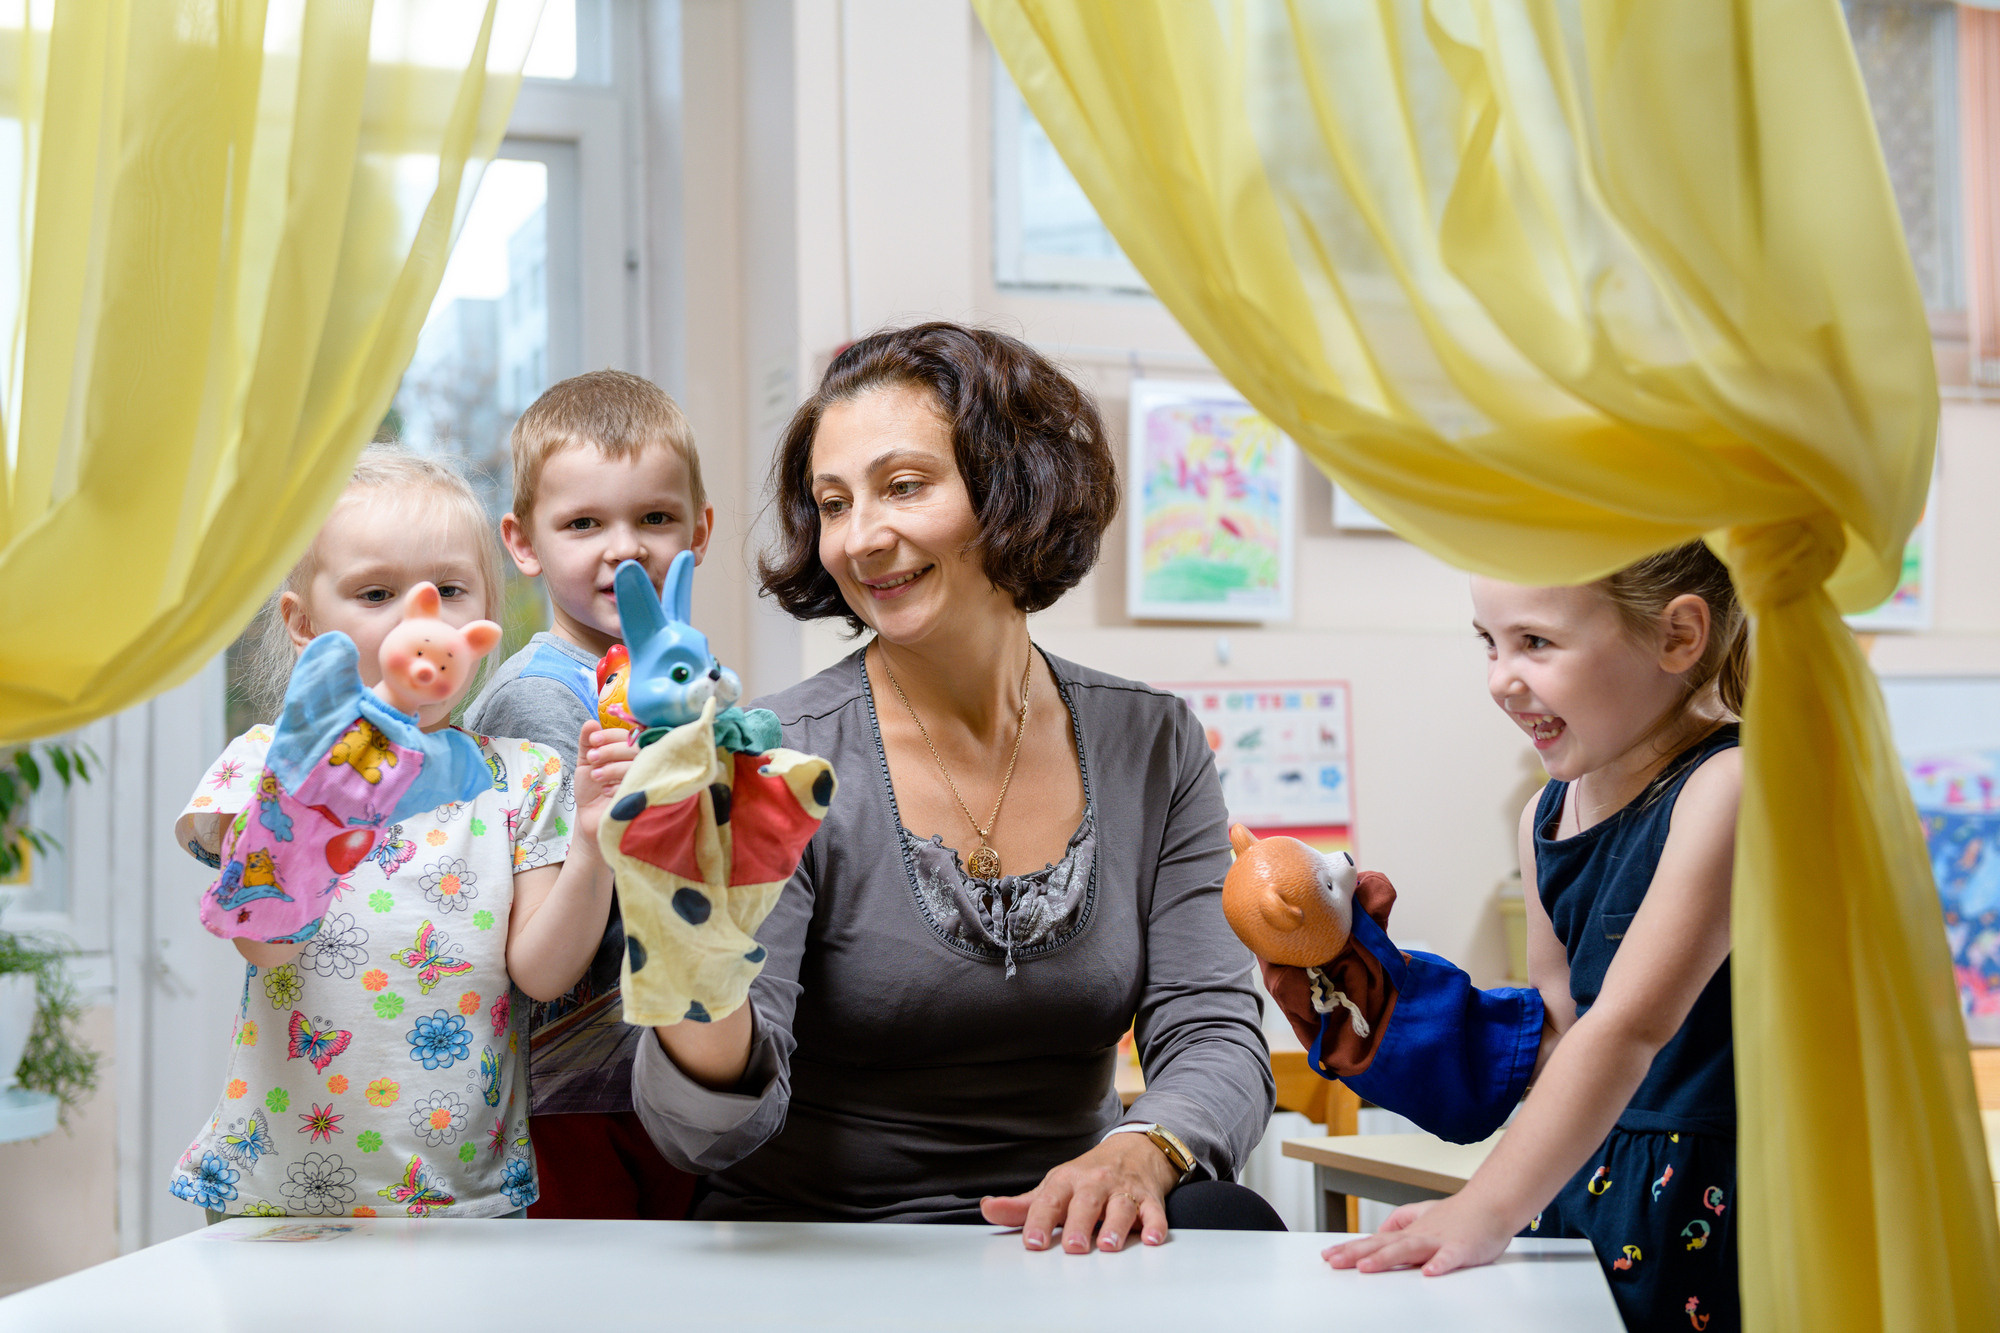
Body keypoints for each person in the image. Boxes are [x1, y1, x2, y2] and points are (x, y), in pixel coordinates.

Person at [630, 322, 1279, 1251]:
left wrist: (1142, 1149)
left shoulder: (1154, 741)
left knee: (1233, 1221)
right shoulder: (779, 755)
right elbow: (703, 1131)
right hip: (821, 1245)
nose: (861, 538)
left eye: (903, 486)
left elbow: (1213, 1028)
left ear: (1014, 483)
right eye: (834, 503)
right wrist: (694, 959)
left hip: (1061, 1243)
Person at [169, 446, 633, 1220]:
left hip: (464, 1195)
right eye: (377, 592)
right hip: (282, 1192)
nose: (422, 621)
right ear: (302, 623)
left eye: (450, 590)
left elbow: (542, 971)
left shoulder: (521, 779)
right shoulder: (264, 765)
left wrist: (591, 840)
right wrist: (313, 800)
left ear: (486, 617)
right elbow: (265, 941)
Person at [1322, 542, 1745, 1333]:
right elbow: (1561, 1029)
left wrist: (1483, 1205)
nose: (1500, 678)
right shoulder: (1547, 811)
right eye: (1489, 641)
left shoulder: (1728, 787)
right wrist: (1392, 1004)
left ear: (1678, 636)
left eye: (1536, 643)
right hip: (1585, 1171)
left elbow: (1626, 1029)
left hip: (1709, 1197)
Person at [463, 371, 710, 1219]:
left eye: (654, 518)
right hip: (574, 1086)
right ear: (524, 542)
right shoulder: (538, 700)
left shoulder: (691, 688)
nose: (625, 548)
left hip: (664, 1071)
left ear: (698, 532)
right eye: (583, 524)